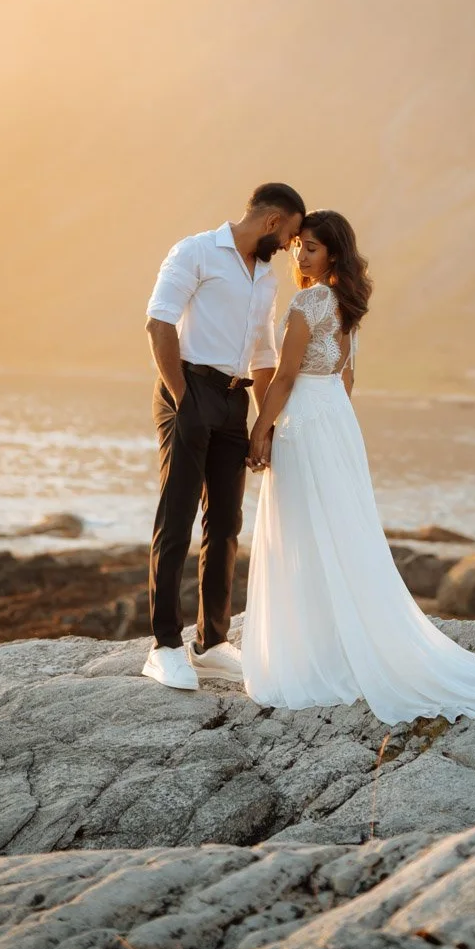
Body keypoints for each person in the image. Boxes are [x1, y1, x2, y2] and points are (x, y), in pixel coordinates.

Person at [241, 209, 475, 723]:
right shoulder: (348, 305)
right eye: (298, 248)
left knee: (305, 532)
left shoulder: (310, 301)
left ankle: (317, 655)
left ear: (332, 254)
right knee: (340, 532)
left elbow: (284, 378)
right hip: (336, 420)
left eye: (310, 248)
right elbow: (346, 380)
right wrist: (336, 428)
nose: (300, 256)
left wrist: (260, 429)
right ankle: (339, 644)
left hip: (307, 422)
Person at [142, 181, 306, 690]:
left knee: (227, 522)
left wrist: (262, 425)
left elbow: (262, 355)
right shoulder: (195, 251)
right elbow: (159, 324)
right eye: (291, 235)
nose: (289, 247)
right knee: (178, 516)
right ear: (273, 221)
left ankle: (211, 642)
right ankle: (164, 646)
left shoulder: (265, 278)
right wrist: (183, 398)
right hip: (188, 388)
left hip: (235, 401)